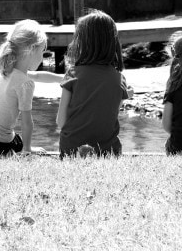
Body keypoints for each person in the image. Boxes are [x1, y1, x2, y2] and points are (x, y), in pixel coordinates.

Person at [0, 19, 62, 157]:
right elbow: (27, 122)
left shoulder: (7, 69)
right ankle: (23, 149)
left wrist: (62, 78)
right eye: (42, 52)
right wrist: (28, 149)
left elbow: (37, 75)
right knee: (18, 144)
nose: (42, 58)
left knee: (15, 140)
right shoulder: (25, 84)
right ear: (31, 50)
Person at [56, 9, 131, 158]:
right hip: (108, 152)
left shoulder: (72, 74)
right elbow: (108, 115)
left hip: (72, 150)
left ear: (81, 42)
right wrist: (125, 96)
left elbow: (61, 121)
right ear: (113, 42)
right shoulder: (118, 78)